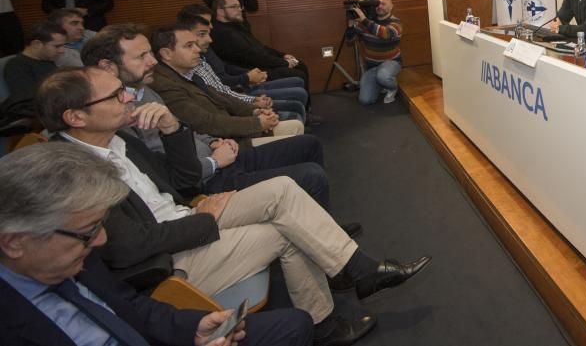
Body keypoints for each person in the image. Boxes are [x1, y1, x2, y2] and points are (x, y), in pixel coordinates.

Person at [38, 67, 431, 345]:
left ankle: (350, 282)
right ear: (75, 116)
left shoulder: (120, 140)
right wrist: (203, 216)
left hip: (189, 216)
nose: (130, 97)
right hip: (168, 260)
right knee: (285, 226)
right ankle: (345, 291)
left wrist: (173, 131)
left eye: (125, 90)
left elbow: (183, 183)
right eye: (117, 94)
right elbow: (130, 248)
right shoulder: (73, 172)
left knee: (281, 191)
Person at [0, 143, 315, 346]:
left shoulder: (72, 256)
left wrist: (194, 328)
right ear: (15, 243)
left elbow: (131, 306)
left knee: (294, 325)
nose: (102, 240)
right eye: (88, 231)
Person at [80, 23, 339, 211]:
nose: (151, 61)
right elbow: (169, 169)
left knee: (310, 144)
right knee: (311, 174)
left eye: (150, 53)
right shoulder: (116, 112)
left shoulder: (144, 90)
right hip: (208, 177)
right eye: (142, 56)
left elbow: (199, 119)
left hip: (219, 152)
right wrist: (215, 158)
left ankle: (322, 229)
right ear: (107, 67)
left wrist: (214, 141)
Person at [150, 24, 304, 142]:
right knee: (305, 144)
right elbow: (206, 123)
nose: (198, 49)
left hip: (234, 130)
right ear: (166, 54)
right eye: (189, 46)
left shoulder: (188, 73)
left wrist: (254, 111)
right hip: (228, 143)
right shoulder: (165, 84)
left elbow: (222, 97)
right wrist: (256, 123)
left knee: (296, 127)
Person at [177, 12, 307, 124]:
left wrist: (250, 76)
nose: (211, 30)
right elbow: (222, 95)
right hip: (237, 96)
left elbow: (225, 71)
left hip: (238, 91)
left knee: (298, 80)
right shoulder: (195, 62)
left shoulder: (203, 56)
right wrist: (249, 86)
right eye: (203, 32)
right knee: (296, 103)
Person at [211, 0, 310, 91]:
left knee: (300, 65)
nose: (240, 9)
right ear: (220, 11)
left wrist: (283, 55)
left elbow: (260, 47)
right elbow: (253, 56)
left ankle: (307, 106)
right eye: (234, 7)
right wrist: (284, 63)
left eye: (239, 6)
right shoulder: (223, 33)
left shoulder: (236, 25)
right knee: (297, 73)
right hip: (250, 71)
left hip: (259, 64)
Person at [346, 0, 401, 105]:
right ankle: (382, 84)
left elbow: (385, 33)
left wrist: (364, 19)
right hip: (372, 67)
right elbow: (350, 39)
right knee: (365, 100)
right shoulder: (367, 22)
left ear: (391, 7)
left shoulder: (396, 23)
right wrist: (351, 25)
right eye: (377, 4)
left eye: (384, 4)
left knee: (383, 75)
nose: (380, 6)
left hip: (391, 62)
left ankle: (392, 87)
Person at [1, 21, 65, 109]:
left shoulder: (47, 60)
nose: (62, 51)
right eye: (57, 46)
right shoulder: (17, 65)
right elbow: (28, 101)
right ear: (37, 44)